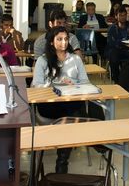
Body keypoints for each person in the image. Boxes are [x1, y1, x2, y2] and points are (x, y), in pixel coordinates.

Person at [32, 26, 99, 173]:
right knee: (72, 115)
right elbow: (36, 85)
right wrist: (56, 83)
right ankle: (97, 135)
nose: (64, 42)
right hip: (49, 104)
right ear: (51, 42)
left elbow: (85, 82)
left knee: (72, 115)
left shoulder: (75, 59)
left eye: (66, 39)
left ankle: (62, 163)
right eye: (59, 39)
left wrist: (74, 84)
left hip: (71, 101)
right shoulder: (43, 60)